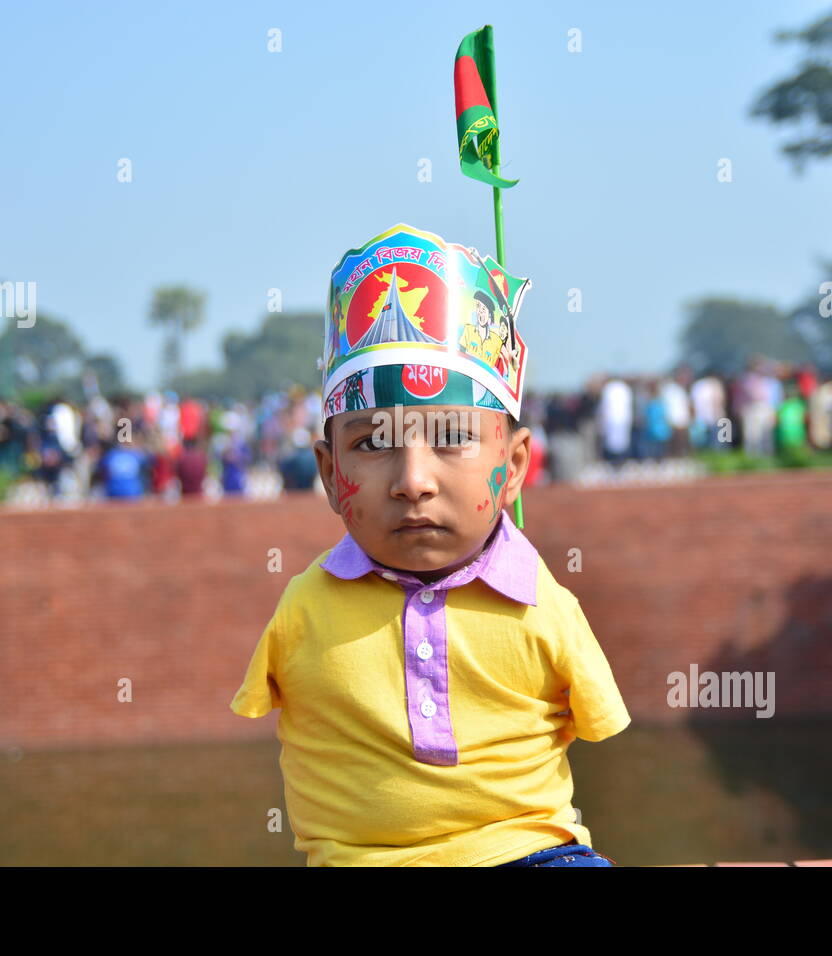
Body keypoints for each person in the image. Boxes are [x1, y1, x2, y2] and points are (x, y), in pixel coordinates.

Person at [229, 223, 629, 867]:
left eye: (451, 438)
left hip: (529, 856)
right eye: (371, 443)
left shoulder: (544, 605)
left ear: (514, 466)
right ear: (330, 475)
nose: (413, 482)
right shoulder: (302, 609)